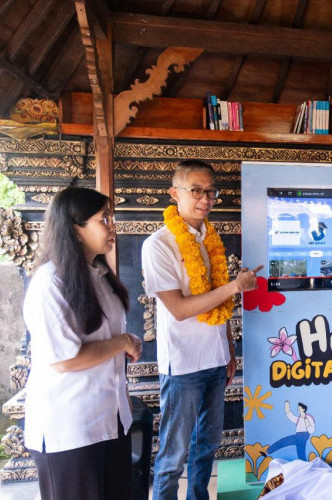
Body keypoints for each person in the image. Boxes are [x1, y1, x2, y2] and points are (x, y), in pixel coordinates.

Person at [142, 160, 262, 500]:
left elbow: (219, 304)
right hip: (182, 364)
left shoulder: (210, 239)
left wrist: (229, 349)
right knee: (174, 453)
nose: (205, 199)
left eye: (210, 191)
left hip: (215, 358)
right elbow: (180, 309)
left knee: (206, 446)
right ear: (174, 193)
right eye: (196, 190)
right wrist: (235, 287)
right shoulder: (158, 244)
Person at [23, 187, 142, 500]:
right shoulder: (51, 282)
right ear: (76, 229)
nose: (112, 227)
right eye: (104, 219)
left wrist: (121, 396)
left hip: (110, 419)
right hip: (70, 427)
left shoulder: (100, 274)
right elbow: (65, 359)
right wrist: (122, 342)